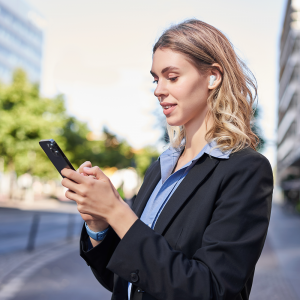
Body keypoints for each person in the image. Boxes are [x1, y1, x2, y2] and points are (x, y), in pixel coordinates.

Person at [61, 19, 274, 300]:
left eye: (172, 77)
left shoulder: (245, 169)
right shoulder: (160, 168)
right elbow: (124, 279)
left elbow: (210, 289)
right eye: (155, 79)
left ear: (212, 76)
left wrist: (117, 211)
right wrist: (99, 224)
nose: (158, 90)